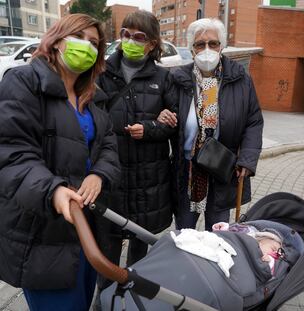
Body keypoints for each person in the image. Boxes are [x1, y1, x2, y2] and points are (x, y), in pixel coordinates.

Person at [0, 14, 120, 311]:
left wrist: (100, 175)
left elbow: (108, 145)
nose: (86, 47)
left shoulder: (93, 96)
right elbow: (12, 153)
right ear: (56, 41)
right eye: (78, 37)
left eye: (94, 43)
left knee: (83, 300)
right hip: (43, 230)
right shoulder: (23, 82)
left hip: (87, 227)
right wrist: (52, 190)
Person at [95, 10, 177, 292]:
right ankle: (104, 299)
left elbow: (173, 123)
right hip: (112, 175)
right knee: (107, 250)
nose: (129, 40)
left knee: (140, 254)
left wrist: (152, 127)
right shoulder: (102, 72)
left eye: (138, 37)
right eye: (125, 34)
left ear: (152, 43)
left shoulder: (164, 78)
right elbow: (92, 115)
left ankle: (132, 298)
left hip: (147, 180)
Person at [159, 18, 263, 230]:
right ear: (192, 49)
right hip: (186, 171)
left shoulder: (240, 78)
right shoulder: (177, 78)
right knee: (185, 236)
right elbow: (165, 114)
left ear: (221, 46)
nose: (207, 49)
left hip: (222, 171)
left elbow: (253, 121)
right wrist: (162, 116)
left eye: (213, 43)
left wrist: (248, 159)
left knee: (218, 238)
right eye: (200, 44)